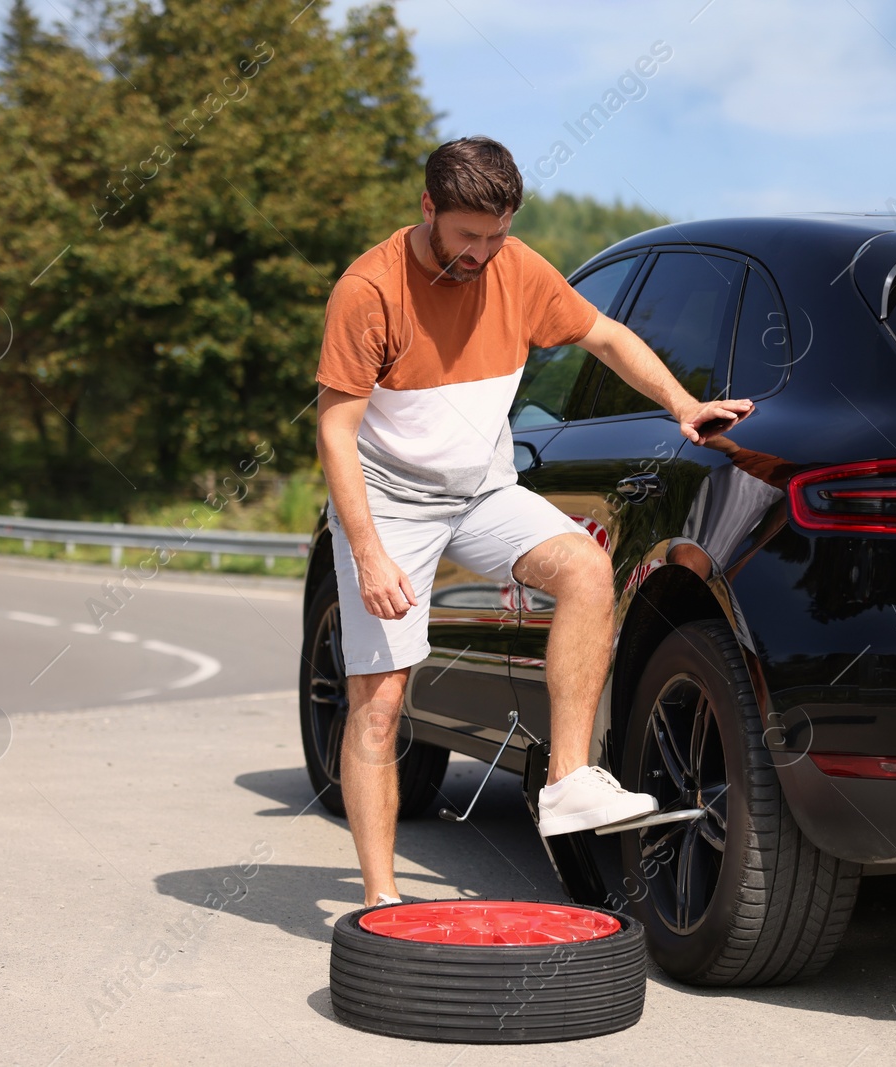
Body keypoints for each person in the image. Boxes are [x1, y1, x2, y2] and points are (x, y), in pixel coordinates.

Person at [314, 136, 754, 906]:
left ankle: (567, 782)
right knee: (379, 703)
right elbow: (335, 431)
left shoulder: (516, 269)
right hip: (390, 501)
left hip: (481, 490)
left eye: (497, 234)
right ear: (428, 210)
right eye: (466, 237)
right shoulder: (369, 290)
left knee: (585, 568)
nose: (483, 253)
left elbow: (606, 337)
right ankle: (381, 899)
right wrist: (368, 551)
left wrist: (683, 404)